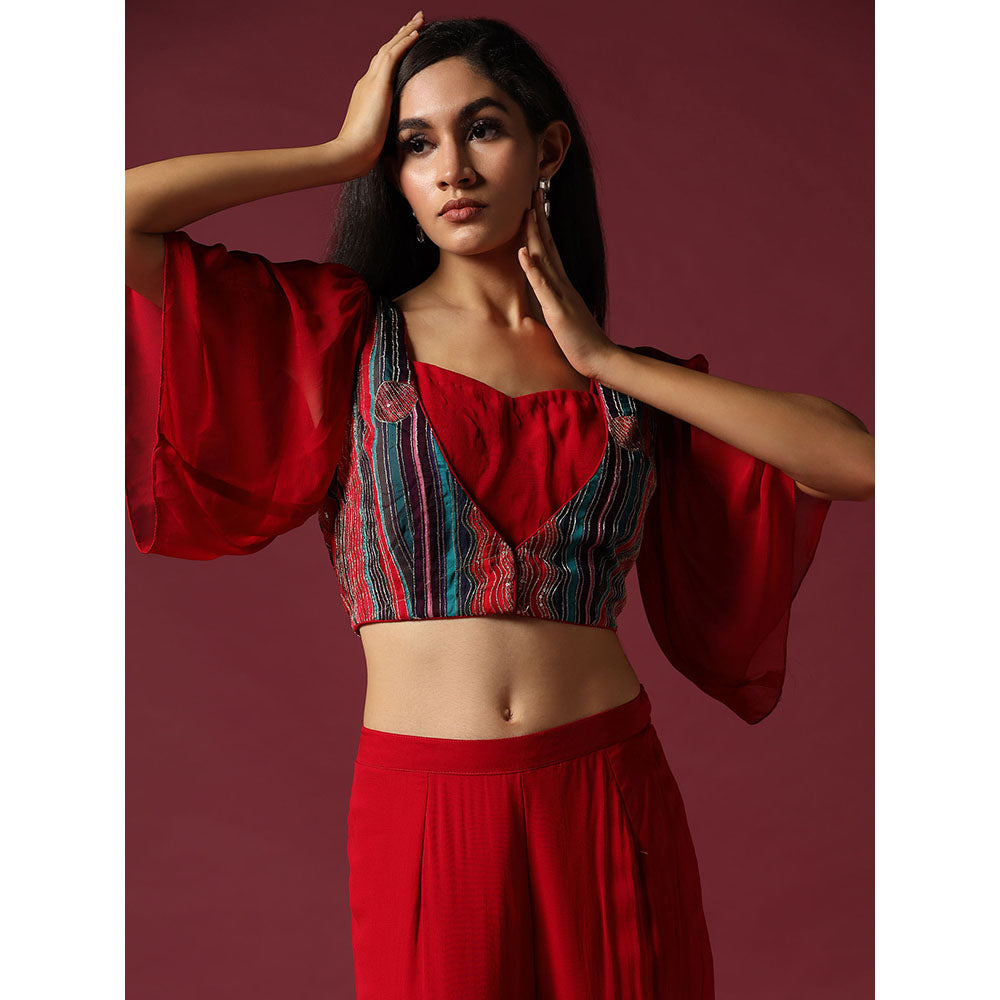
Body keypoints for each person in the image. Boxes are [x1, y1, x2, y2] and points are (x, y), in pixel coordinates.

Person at [125, 12, 874, 999]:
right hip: (427, 803)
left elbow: (858, 461)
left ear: (546, 150)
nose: (451, 170)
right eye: (415, 144)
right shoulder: (341, 339)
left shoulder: (627, 389)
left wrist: (605, 359)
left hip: (608, 786)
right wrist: (335, 153)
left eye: (481, 129)